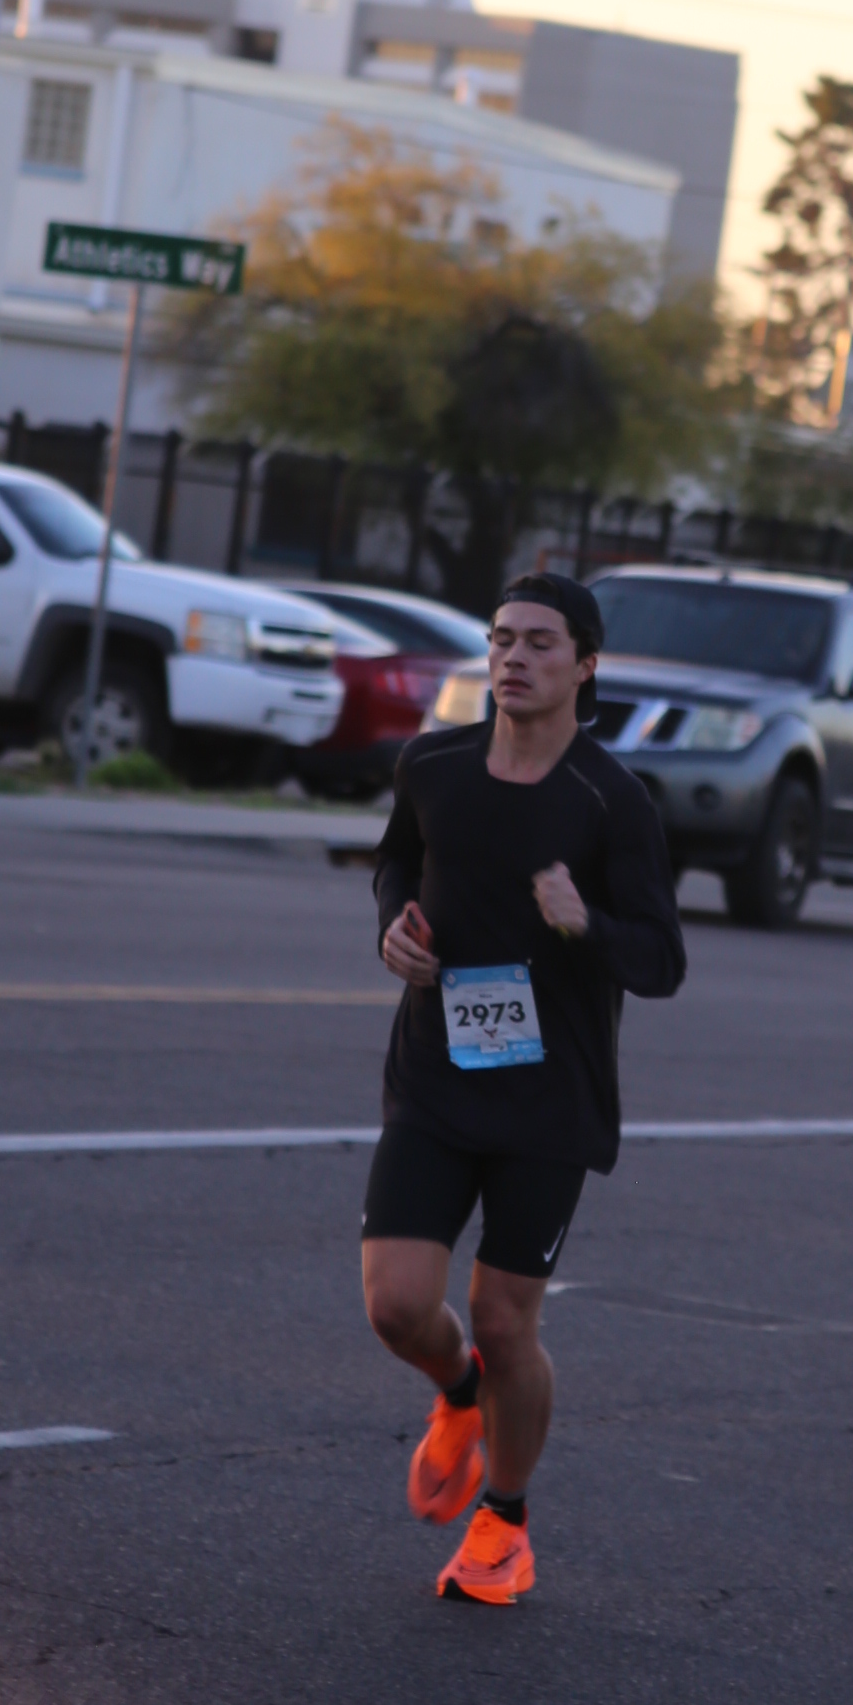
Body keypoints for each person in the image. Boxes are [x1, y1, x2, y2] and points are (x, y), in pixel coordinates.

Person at [362, 573, 686, 1603]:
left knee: (505, 1321)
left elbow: (662, 959)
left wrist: (585, 920)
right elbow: (396, 863)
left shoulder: (610, 799)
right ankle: (457, 1391)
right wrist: (395, 927)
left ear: (584, 665)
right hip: (435, 1071)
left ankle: (503, 1523)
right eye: (502, 638)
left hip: (550, 1098)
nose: (514, 657)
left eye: (541, 642)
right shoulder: (434, 764)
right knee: (397, 1306)